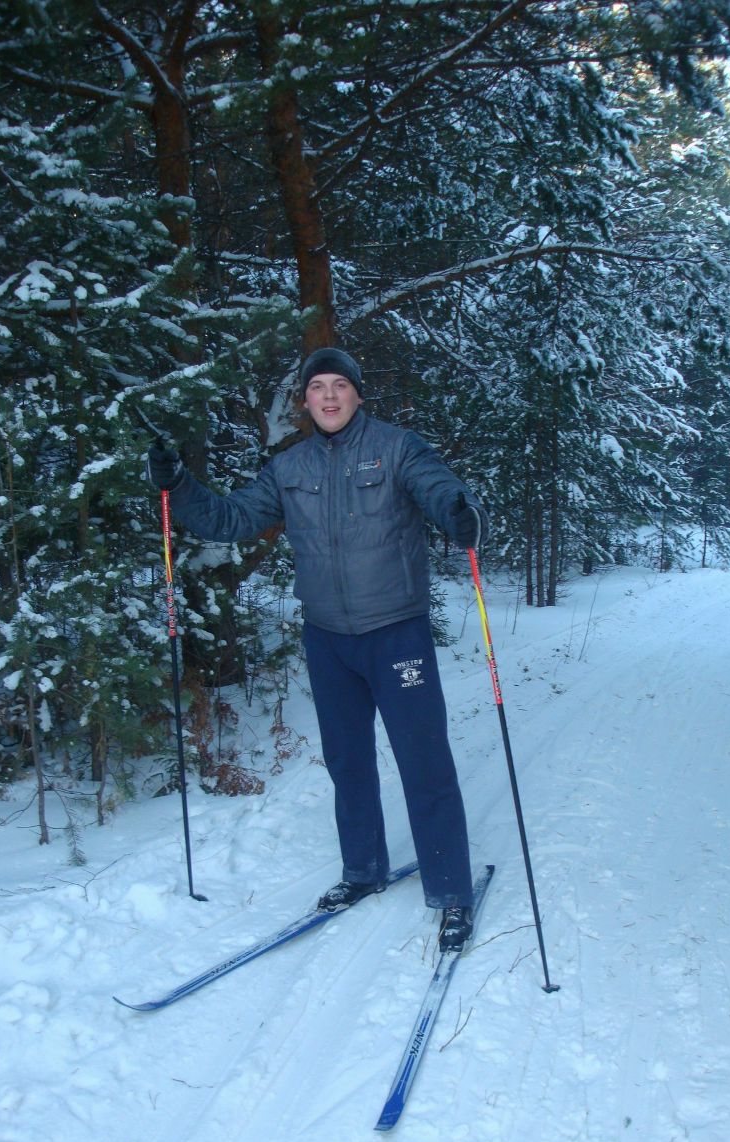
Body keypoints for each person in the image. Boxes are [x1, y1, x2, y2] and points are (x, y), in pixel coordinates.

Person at [146, 348, 488, 950]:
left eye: (340, 386)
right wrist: (181, 486)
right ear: (303, 401)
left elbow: (441, 491)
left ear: (358, 394)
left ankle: (452, 890)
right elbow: (230, 519)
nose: (329, 397)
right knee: (347, 762)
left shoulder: (397, 447)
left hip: (396, 633)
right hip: (328, 639)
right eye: (317, 388)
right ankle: (362, 869)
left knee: (424, 761)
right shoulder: (289, 467)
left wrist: (461, 513)